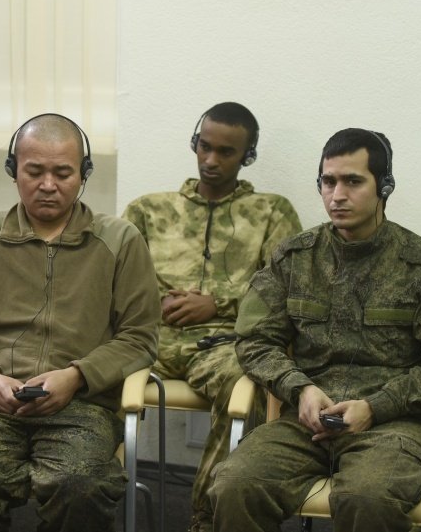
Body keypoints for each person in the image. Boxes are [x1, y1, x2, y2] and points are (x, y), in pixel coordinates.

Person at [209, 128, 421, 532]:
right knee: (235, 485)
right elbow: (254, 339)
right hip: (304, 422)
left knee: (368, 497)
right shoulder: (295, 258)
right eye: (328, 181)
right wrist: (299, 388)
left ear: (384, 186)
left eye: (353, 181)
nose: (337, 195)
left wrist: (378, 406)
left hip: (392, 427)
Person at [0, 113, 160, 532]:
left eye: (63, 173)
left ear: (84, 174)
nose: (48, 185)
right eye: (34, 172)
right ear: (13, 170)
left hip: (83, 407)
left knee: (80, 485)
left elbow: (140, 336)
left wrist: (76, 376)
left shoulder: (120, 241)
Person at [122, 102, 301, 531]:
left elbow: (286, 288)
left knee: (247, 381)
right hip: (150, 338)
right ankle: (90, 491)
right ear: (194, 143)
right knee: (87, 366)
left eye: (226, 152)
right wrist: (153, 303)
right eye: (204, 147)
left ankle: (208, 518)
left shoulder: (271, 212)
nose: (211, 160)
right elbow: (114, 278)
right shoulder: (148, 210)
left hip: (221, 344)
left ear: (247, 156)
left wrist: (218, 302)